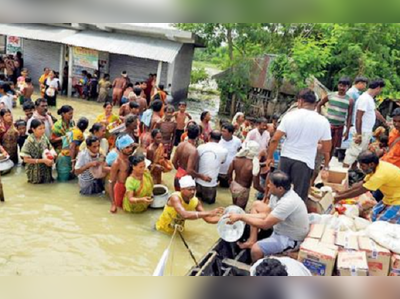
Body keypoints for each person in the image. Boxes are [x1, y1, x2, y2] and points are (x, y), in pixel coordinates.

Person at [228, 171, 310, 263]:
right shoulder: (276, 194)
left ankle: (259, 269)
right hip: (280, 227)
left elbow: (265, 224)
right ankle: (252, 239)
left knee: (256, 250)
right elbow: (266, 214)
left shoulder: (288, 202)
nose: (268, 186)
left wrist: (241, 217)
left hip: (289, 237)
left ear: (280, 188)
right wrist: (243, 215)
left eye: (270, 185)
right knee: (256, 205)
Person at [267, 89, 332, 201]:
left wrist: (269, 157)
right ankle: (293, 216)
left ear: (300, 101)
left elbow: (274, 139)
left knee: (278, 190)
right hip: (305, 162)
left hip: (286, 158)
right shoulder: (323, 121)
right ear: (315, 104)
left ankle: (274, 213)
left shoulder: (289, 116)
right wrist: (314, 146)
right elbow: (327, 148)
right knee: (299, 196)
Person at [335, 151, 400, 224]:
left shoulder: (379, 175)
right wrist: (341, 193)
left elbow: (360, 190)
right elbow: (362, 183)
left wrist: (338, 198)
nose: (361, 168)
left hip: (397, 201)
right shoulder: (376, 167)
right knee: (373, 216)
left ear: (371, 164)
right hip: (390, 198)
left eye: (363, 166)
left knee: (382, 224)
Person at [156, 176, 224, 235]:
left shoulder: (195, 201)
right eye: (189, 189)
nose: (192, 192)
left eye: (194, 189)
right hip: (162, 230)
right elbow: (184, 214)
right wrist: (210, 212)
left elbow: (208, 219)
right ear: (181, 189)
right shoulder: (175, 198)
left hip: (178, 230)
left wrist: (225, 218)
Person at [344, 79, 388, 168]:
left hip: (366, 131)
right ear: (378, 88)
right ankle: (342, 173)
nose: (380, 92)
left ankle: (352, 171)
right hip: (362, 131)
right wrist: (359, 134)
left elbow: (375, 112)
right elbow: (358, 117)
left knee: (359, 154)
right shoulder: (364, 99)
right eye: (380, 89)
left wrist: (385, 122)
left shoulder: (369, 99)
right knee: (352, 154)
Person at [317, 78, 354, 157]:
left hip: (339, 126)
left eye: (344, 86)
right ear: (338, 86)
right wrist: (319, 117)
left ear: (348, 87)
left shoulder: (350, 100)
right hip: (328, 124)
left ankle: (327, 163)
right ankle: (320, 161)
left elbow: (349, 116)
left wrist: (347, 130)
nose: (342, 88)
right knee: (323, 142)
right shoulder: (331, 95)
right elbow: (319, 104)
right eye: (340, 85)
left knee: (333, 146)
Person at [172, 124, 211, 191]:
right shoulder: (193, 151)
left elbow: (173, 161)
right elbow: (189, 170)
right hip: (186, 181)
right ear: (198, 135)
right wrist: (202, 176)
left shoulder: (180, 145)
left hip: (177, 177)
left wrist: (180, 170)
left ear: (187, 133)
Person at [228, 141, 264, 210]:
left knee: (234, 207)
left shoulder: (236, 159)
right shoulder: (254, 165)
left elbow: (228, 174)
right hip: (243, 189)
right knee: (239, 211)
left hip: (234, 185)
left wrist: (231, 183)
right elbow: (256, 186)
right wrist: (265, 192)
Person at [196, 130, 228, 205]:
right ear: (220, 139)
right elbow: (222, 161)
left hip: (198, 181)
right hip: (211, 183)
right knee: (209, 205)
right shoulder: (224, 151)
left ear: (209, 136)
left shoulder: (200, 147)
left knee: (197, 203)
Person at [20, 119, 55, 184]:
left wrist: (53, 154)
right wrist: (43, 160)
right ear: (33, 129)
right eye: (40, 129)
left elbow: (50, 147)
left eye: (44, 128)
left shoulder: (44, 137)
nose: (43, 130)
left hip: (46, 169)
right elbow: (26, 160)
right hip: (34, 171)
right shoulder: (29, 141)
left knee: (47, 185)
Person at [109, 135, 136, 214]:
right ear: (121, 148)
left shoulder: (130, 158)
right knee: (122, 211)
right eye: (127, 147)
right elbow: (111, 183)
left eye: (131, 146)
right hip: (121, 189)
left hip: (130, 187)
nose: (130, 149)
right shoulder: (117, 163)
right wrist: (113, 204)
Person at [57, 117, 89, 182]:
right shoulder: (78, 133)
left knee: (64, 180)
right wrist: (73, 162)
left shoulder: (71, 129)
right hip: (66, 158)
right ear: (85, 128)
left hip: (62, 156)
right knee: (63, 182)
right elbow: (72, 147)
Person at [218, 123, 243, 188]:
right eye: (221, 131)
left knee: (225, 188)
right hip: (216, 171)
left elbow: (240, 153)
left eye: (224, 131)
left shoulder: (237, 141)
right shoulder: (218, 139)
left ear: (231, 133)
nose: (221, 133)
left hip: (227, 173)